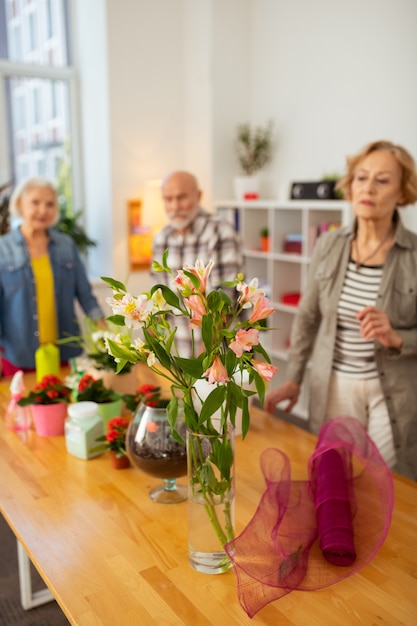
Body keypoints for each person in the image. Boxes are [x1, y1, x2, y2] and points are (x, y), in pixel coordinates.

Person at [264, 140, 417, 480]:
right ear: (350, 186)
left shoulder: (414, 254)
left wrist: (396, 336)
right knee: (338, 477)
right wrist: (295, 379)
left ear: (402, 191)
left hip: (392, 388)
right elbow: (307, 316)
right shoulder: (330, 244)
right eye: (361, 178)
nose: (369, 188)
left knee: (385, 482)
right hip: (334, 384)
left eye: (382, 180)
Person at [0, 177, 105, 377]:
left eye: (49, 204)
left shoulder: (67, 246)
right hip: (18, 354)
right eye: (35, 202)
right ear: (20, 203)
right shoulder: (2, 249)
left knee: (65, 405)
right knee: (22, 408)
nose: (43, 210)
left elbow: (85, 295)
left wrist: (105, 330)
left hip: (63, 351)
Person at [151, 170, 244, 357]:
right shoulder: (161, 238)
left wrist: (204, 361)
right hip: (176, 357)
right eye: (168, 199)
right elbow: (158, 301)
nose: (175, 206)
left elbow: (223, 305)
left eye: (181, 197)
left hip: (214, 356)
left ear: (198, 195)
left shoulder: (219, 232)